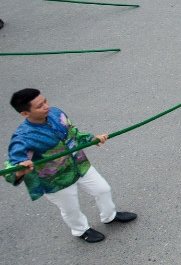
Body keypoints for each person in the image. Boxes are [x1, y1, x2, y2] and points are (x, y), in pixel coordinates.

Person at [4, 88, 138, 243]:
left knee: (103, 189)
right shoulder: (23, 137)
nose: (46, 106)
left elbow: (72, 132)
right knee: (71, 209)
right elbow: (12, 166)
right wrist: (21, 170)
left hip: (79, 164)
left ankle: (110, 216)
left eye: (45, 101)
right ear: (25, 114)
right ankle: (81, 230)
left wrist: (91, 138)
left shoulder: (56, 113)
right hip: (56, 179)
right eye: (40, 106)